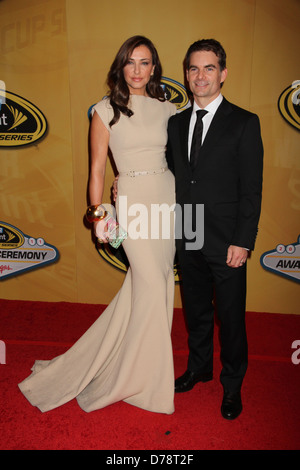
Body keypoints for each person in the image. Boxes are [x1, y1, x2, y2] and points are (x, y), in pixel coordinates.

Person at [18, 36, 177, 414]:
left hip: (166, 199)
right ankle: (142, 382)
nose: (138, 70)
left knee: (156, 285)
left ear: (154, 68)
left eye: (145, 62)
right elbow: (97, 169)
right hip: (132, 199)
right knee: (152, 286)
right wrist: (100, 214)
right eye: (131, 62)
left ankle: (136, 364)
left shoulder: (169, 108)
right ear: (121, 66)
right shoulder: (105, 111)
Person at [166, 39, 263, 420]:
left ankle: (233, 384)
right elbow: (171, 176)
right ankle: (199, 367)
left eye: (209, 68)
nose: (200, 76)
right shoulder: (175, 123)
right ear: (186, 74)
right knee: (195, 311)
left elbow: (251, 189)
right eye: (193, 68)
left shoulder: (243, 122)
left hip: (227, 241)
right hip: (187, 232)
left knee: (232, 316)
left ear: (223, 74)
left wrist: (243, 240)